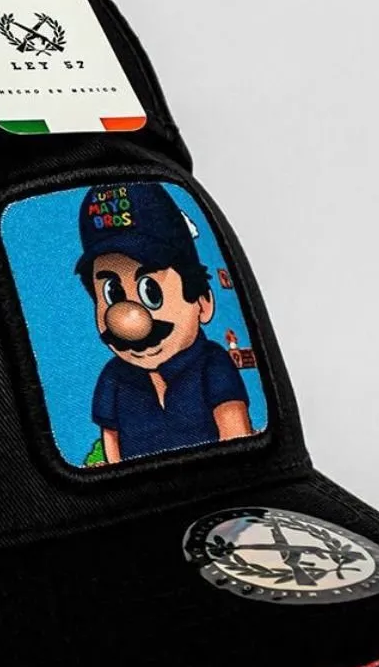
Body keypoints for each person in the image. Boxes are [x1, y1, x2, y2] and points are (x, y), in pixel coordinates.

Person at [76, 182, 251, 463]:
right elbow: (112, 444)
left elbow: (239, 442)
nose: (129, 323)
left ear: (203, 302)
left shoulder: (213, 366)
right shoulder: (113, 378)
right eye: (112, 293)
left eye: (151, 293)